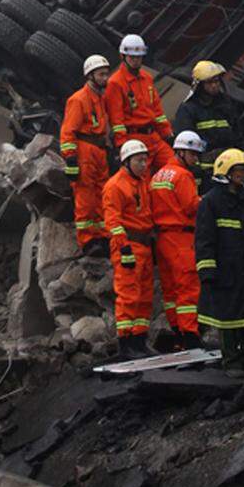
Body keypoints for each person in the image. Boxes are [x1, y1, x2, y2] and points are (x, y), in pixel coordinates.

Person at [195, 148, 244, 379]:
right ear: (225, 172)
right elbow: (204, 239)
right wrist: (208, 270)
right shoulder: (211, 202)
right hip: (226, 271)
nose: (242, 175)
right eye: (238, 171)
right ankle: (232, 361)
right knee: (228, 320)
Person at [102, 139, 156, 359]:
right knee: (128, 295)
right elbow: (113, 221)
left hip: (143, 244)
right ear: (126, 161)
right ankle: (125, 344)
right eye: (139, 160)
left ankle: (139, 340)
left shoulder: (142, 182)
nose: (144, 164)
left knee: (144, 296)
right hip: (129, 245)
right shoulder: (115, 186)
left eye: (145, 160)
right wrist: (124, 249)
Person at [151, 130, 202, 342]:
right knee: (188, 287)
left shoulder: (158, 176)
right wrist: (206, 201)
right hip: (181, 238)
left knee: (170, 289)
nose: (196, 159)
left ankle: (177, 331)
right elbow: (191, 206)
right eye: (193, 154)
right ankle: (190, 334)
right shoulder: (182, 176)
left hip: (162, 239)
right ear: (181, 152)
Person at [60, 54, 113, 252]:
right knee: (85, 197)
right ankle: (88, 240)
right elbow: (67, 132)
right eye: (101, 74)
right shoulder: (78, 99)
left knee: (101, 193)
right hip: (84, 151)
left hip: (98, 150)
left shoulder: (99, 97)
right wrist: (71, 160)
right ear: (90, 76)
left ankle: (102, 235)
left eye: (106, 74)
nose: (105, 78)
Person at [106, 34, 175, 174]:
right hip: (135, 140)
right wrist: (122, 146)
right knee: (142, 181)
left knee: (176, 170)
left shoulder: (147, 78)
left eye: (139, 57)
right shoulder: (115, 83)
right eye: (132, 57)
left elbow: (157, 111)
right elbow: (116, 119)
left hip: (154, 137)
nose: (136, 60)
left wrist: (167, 134)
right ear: (123, 56)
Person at [174, 60, 241, 191]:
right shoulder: (188, 109)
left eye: (217, 81)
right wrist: (196, 170)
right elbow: (186, 144)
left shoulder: (225, 104)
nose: (215, 85)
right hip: (205, 172)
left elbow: (238, 134)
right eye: (210, 82)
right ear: (199, 85)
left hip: (229, 166)